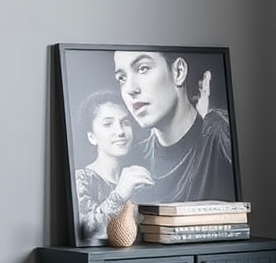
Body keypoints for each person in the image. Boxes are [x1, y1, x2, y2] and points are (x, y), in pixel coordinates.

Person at [112, 49, 236, 205]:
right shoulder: (132, 158)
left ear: (178, 72)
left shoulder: (220, 134)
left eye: (143, 68)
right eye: (121, 79)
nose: (130, 89)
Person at [74, 92, 154, 245]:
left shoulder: (140, 178)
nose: (120, 131)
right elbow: (86, 230)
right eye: (108, 124)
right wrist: (119, 195)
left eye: (125, 122)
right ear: (92, 137)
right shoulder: (82, 179)